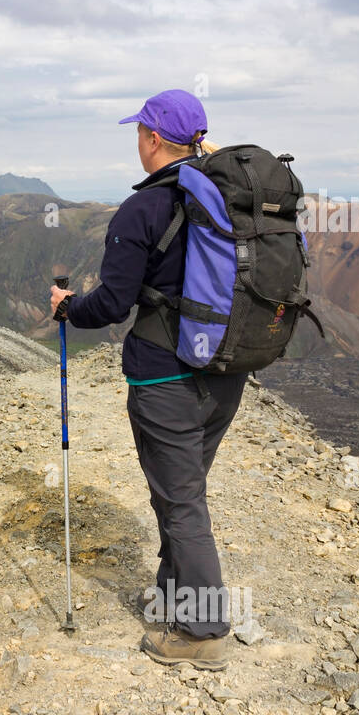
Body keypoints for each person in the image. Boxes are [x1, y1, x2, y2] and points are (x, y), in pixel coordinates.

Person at [48, 88, 246, 671]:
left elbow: (112, 303)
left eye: (139, 131)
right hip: (226, 373)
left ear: (154, 138)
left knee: (182, 502)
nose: (137, 140)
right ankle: (175, 598)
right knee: (178, 491)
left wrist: (67, 307)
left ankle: (204, 631)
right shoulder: (227, 199)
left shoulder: (143, 209)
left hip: (166, 380)